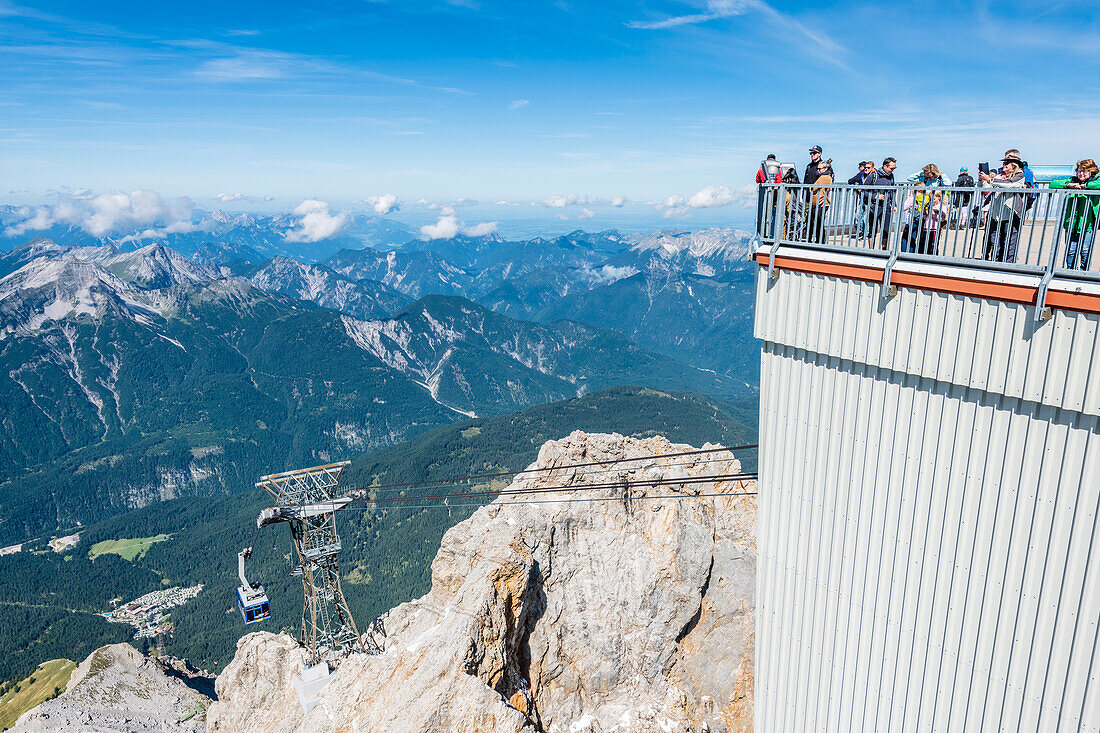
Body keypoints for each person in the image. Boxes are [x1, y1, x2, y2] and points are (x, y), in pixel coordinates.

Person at [1050, 159, 1100, 269]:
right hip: (1071, 222)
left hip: (1088, 224)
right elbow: (1053, 184)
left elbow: (1097, 184)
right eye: (1079, 171)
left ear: (1091, 171)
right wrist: (1069, 185)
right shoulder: (1073, 180)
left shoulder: (1096, 181)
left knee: (1085, 250)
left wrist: (1085, 186)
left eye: (1084, 171)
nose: (1081, 173)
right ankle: (1070, 270)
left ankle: (1084, 270)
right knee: (1071, 249)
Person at [979, 152, 1027, 262]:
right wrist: (982, 179)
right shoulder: (999, 176)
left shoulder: (1019, 176)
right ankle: (995, 263)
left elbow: (1010, 184)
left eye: (1006, 163)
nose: (1004, 165)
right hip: (996, 214)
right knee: (994, 241)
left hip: (1010, 214)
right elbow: (986, 187)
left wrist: (990, 180)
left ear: (1014, 165)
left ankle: (1008, 265)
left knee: (1009, 241)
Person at [865, 157, 897, 249]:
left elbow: (892, 191)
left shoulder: (891, 176)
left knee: (886, 230)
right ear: (885, 166)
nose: (893, 170)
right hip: (874, 207)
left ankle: (883, 250)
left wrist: (894, 205)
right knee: (872, 229)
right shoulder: (873, 175)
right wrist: (875, 196)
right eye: (891, 168)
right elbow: (863, 191)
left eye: (894, 168)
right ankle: (871, 250)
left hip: (887, 207)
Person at [806, 158, 833, 243]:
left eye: (819, 169)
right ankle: (819, 241)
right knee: (818, 223)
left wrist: (811, 187)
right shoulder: (826, 177)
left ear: (825, 169)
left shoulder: (824, 177)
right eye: (817, 168)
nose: (817, 170)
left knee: (818, 223)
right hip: (821, 203)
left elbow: (813, 188)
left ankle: (819, 242)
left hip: (821, 203)